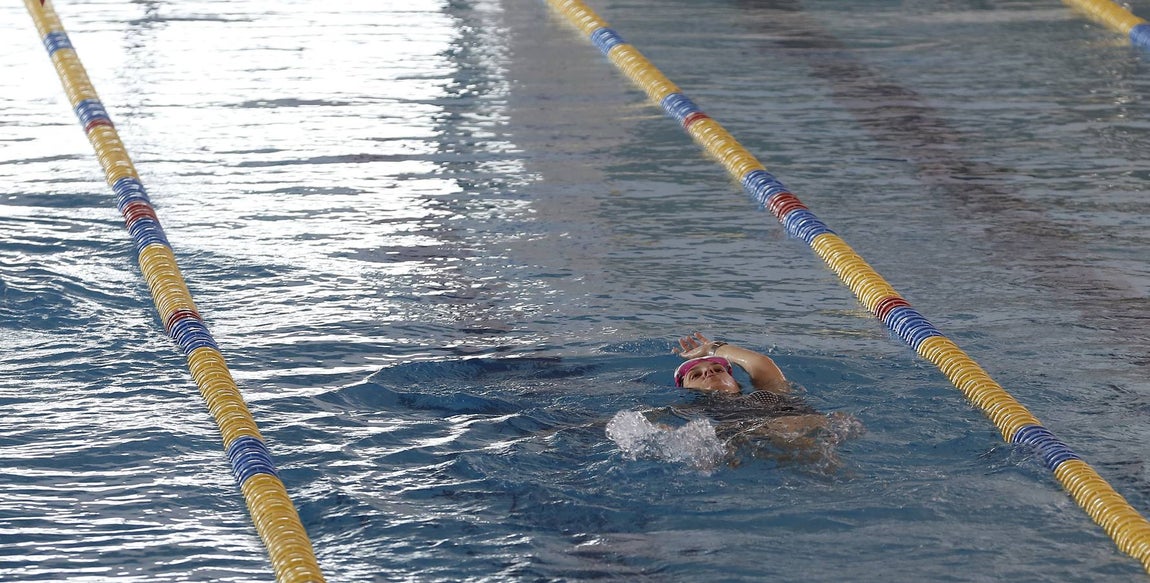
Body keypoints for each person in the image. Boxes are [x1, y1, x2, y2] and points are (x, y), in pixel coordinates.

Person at [670, 332, 860, 464]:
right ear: (686, 389)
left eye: (717, 369)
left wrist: (713, 348)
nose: (709, 373)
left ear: (733, 379)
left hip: (804, 428)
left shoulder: (768, 393)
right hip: (756, 439)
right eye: (695, 375)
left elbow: (760, 363)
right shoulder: (691, 411)